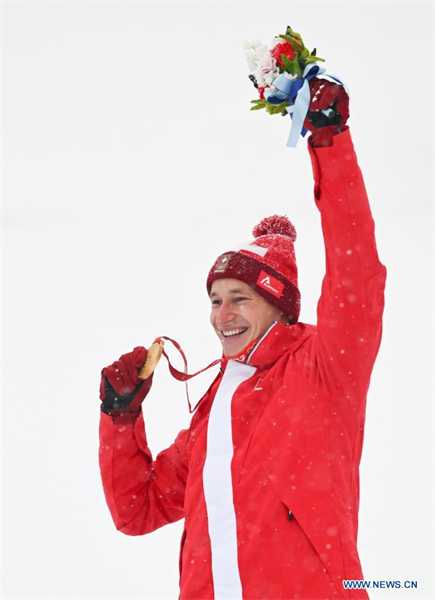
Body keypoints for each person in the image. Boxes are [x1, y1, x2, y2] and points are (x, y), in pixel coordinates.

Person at [98, 78, 387, 600]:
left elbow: (356, 271)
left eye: (241, 297)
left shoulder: (323, 369)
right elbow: (135, 511)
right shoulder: (214, 415)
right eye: (215, 299)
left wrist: (330, 143)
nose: (222, 314)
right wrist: (121, 417)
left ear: (280, 304)